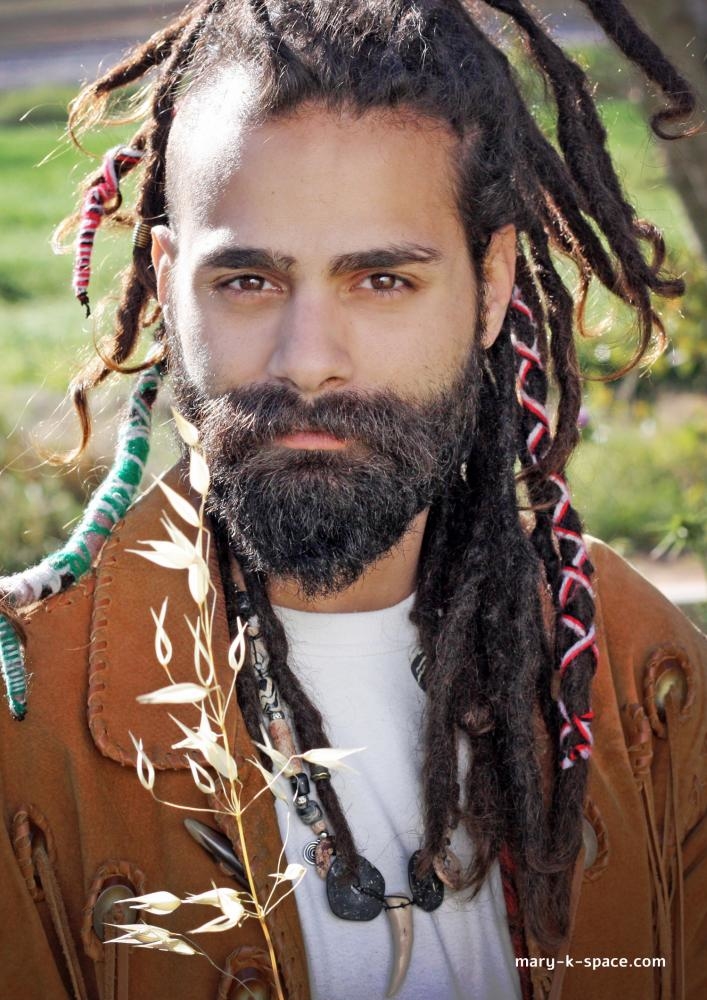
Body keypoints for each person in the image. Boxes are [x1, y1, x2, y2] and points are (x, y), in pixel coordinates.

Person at [0, 1, 705, 998]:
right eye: (247, 280)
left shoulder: (638, 676)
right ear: (167, 282)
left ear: (490, 284)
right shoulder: (24, 731)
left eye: (381, 280)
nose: (308, 361)